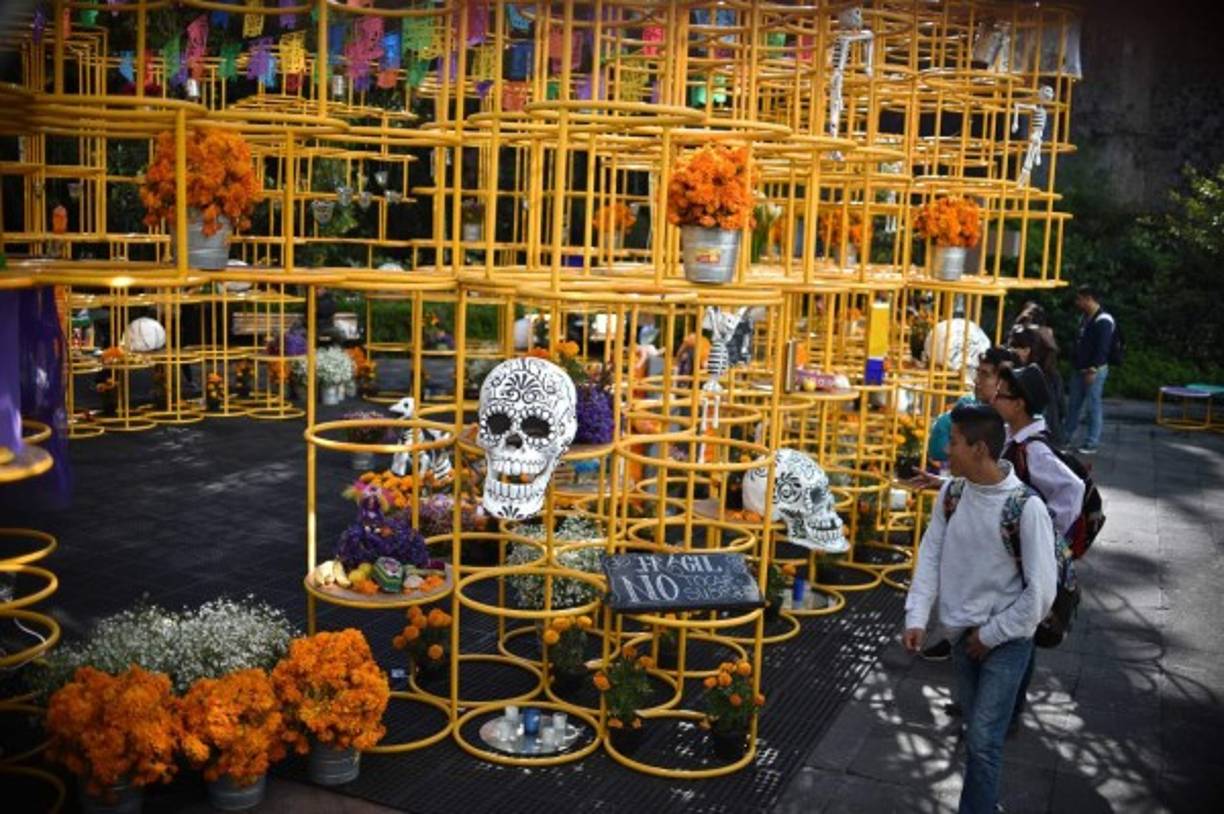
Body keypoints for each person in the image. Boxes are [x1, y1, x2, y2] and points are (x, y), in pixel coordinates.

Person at [903, 404, 1057, 814]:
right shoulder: (951, 494)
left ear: (980, 449)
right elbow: (931, 553)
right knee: (976, 734)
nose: (945, 450)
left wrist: (990, 636)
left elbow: (1041, 595)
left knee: (985, 740)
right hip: (961, 636)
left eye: (952, 442)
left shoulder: (1027, 508)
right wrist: (917, 616)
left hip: (1005, 641)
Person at [991, 363, 1084, 732]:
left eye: (1002, 394)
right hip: (1010, 554)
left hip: (1025, 556)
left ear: (1020, 405)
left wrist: (1045, 533)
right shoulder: (1011, 439)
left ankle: (1008, 712)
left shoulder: (1034, 450)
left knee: (1021, 635)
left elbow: (1072, 490)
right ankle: (996, 707)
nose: (995, 397)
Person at [925, 346, 1019, 472]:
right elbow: (936, 449)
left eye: (985, 374)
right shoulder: (968, 406)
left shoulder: (1016, 420)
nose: (976, 380)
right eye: (978, 372)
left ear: (1004, 381)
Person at [1063, 285, 1115, 454]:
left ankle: (1091, 442)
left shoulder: (1104, 320)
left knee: (1093, 405)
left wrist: (1093, 369)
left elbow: (1102, 348)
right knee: (1073, 405)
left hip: (1094, 370)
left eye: (1080, 299)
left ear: (1089, 298)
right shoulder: (1084, 318)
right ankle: (1066, 436)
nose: (1077, 302)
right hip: (1079, 368)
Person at [1007, 326, 1063, 446]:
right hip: (1051, 436)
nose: (1010, 351)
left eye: (1013, 347)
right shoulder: (1051, 373)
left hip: (1034, 439)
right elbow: (1062, 408)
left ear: (1027, 350)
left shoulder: (1025, 377)